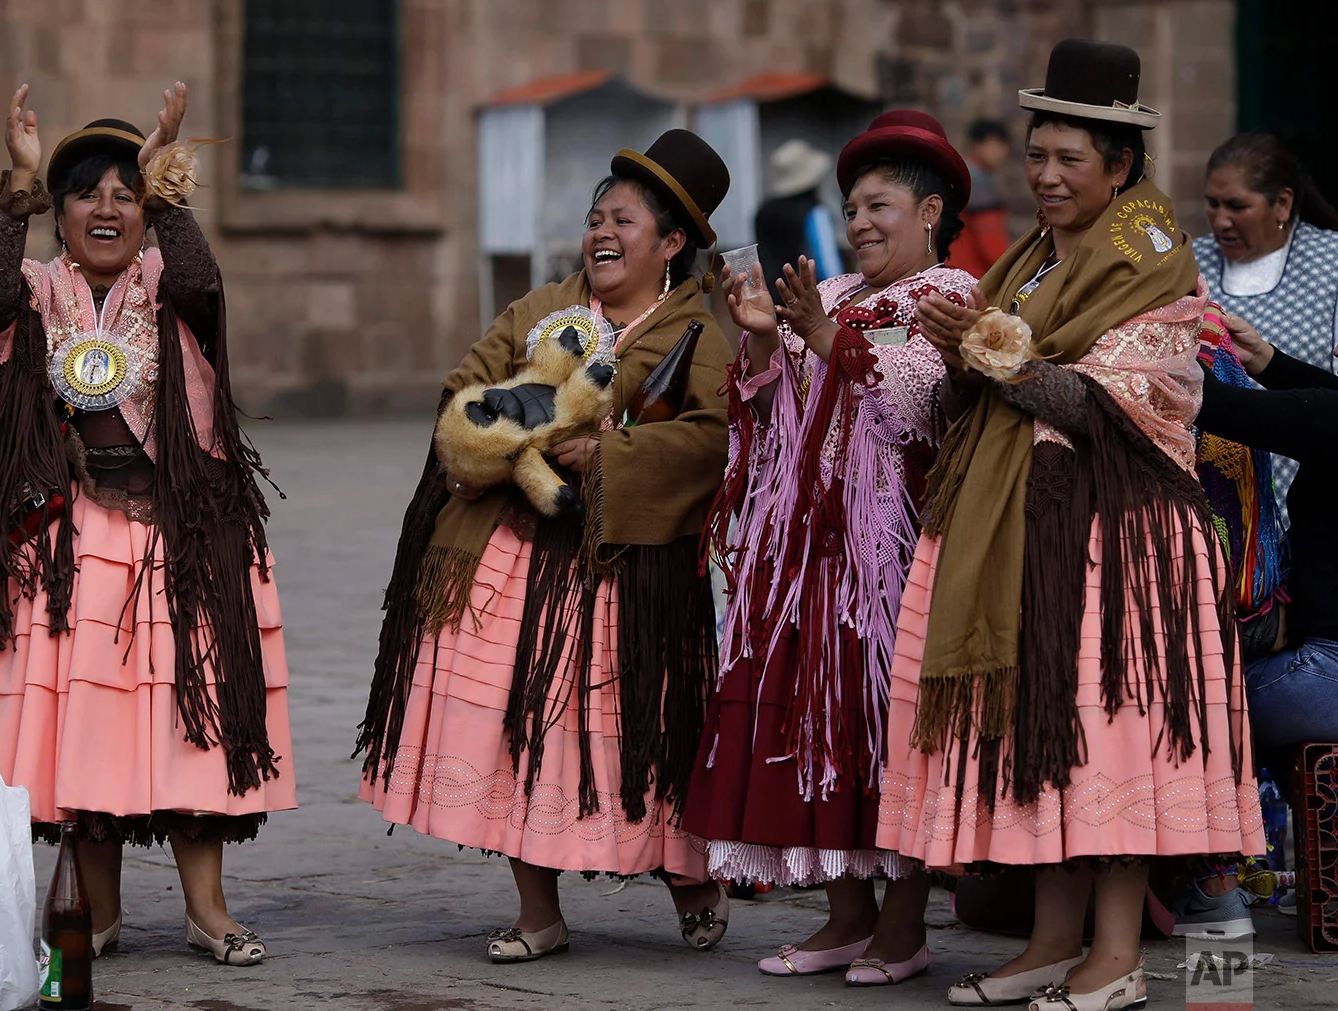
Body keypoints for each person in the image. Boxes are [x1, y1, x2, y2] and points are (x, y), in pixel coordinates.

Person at [881, 39, 1263, 1011]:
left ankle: (1119, 956)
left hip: (1119, 539)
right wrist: (969, 360)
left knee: (1113, 740)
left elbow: (1107, 407)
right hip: (1036, 530)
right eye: (1037, 155)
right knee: (1047, 738)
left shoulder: (1147, 261)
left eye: (1070, 161)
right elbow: (1012, 375)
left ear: (1122, 166)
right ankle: (1052, 941)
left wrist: (993, 359)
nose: (1045, 176)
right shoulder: (1034, 260)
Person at [0, 83, 296, 966]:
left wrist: (169, 185)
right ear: (59, 213)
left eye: (126, 192)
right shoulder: (34, 291)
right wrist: (16, 189)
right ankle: (96, 911)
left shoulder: (167, 288)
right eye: (86, 192)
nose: (108, 206)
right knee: (86, 733)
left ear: (146, 211)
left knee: (195, 721)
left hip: (176, 539)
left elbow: (204, 283)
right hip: (66, 543)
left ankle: (208, 910)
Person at [356, 129, 733, 963]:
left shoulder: (700, 336)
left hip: (630, 575)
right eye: (597, 215)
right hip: (520, 559)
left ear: (672, 243)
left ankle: (689, 877)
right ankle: (538, 910)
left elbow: (710, 442)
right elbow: (465, 387)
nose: (601, 231)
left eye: (624, 220)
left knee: (634, 731)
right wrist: (493, 432)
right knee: (522, 727)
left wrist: (611, 455)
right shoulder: (543, 309)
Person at [683, 110, 976, 986]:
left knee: (888, 728)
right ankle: (845, 914)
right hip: (802, 554)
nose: (858, 224)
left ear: (929, 214)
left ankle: (905, 922)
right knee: (813, 732)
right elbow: (773, 419)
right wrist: (765, 342)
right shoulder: (837, 292)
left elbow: (917, 410)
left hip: (888, 562)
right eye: (850, 208)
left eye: (879, 206)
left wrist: (818, 337)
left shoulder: (953, 298)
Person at [1197, 314, 1338, 752]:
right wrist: (1264, 359)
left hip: (1323, 680)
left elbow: (1211, 403)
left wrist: (1158, 332)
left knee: (1173, 704)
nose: (1336, 351)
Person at [1194, 133, 1338, 514]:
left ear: (1283, 204)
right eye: (1212, 204)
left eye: (1237, 206)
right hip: (1206, 490)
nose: (1221, 219)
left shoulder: (1332, 261)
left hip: (1307, 493)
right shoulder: (1187, 262)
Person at [755, 138, 844, 297]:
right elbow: (828, 265)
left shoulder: (763, 211)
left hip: (771, 299)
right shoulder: (815, 213)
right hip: (804, 301)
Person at [949, 120, 1013, 277]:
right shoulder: (976, 180)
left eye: (1003, 145)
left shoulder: (964, 174)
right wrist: (1010, 271)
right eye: (995, 144)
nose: (1001, 151)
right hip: (972, 271)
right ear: (975, 146)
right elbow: (990, 236)